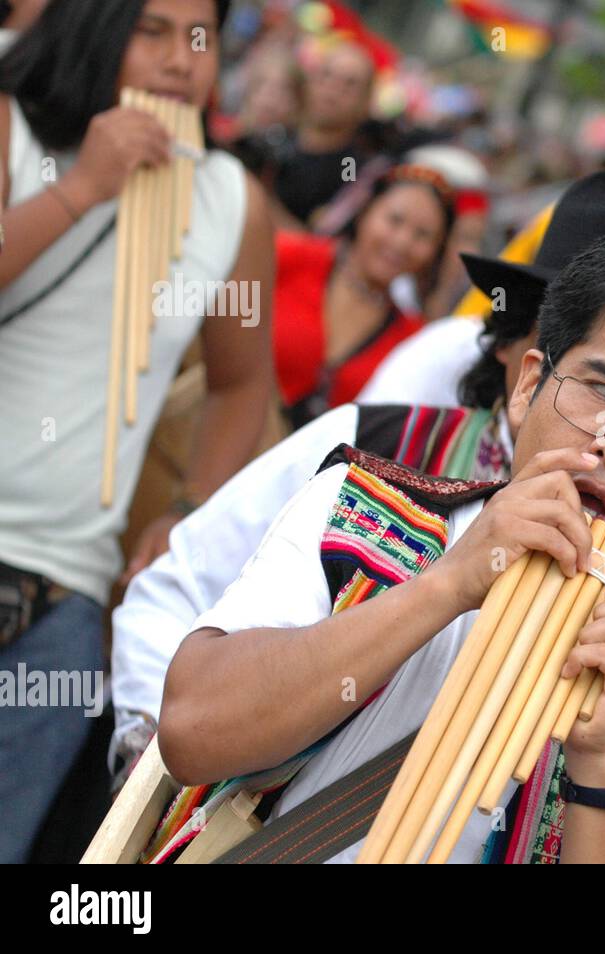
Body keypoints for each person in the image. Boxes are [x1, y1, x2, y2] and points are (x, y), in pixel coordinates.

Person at [117, 171, 605, 863]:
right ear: (529, 385)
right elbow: (194, 731)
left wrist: (599, 767)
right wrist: (445, 585)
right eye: (604, 390)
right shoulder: (356, 508)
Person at [0, 0, 274, 864]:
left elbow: (241, 381)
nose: (179, 62)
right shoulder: (10, 120)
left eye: (200, 39)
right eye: (152, 30)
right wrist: (81, 189)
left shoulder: (229, 198)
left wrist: (187, 511)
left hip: (63, 601)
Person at [272, 163, 455, 429]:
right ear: (364, 212)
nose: (402, 242)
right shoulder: (290, 257)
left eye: (422, 235)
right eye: (394, 220)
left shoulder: (413, 340)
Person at [270, 37, 374, 228]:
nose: (332, 89)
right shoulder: (276, 134)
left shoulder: (350, 169)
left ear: (366, 103)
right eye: (326, 75)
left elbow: (320, 239)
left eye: (349, 84)